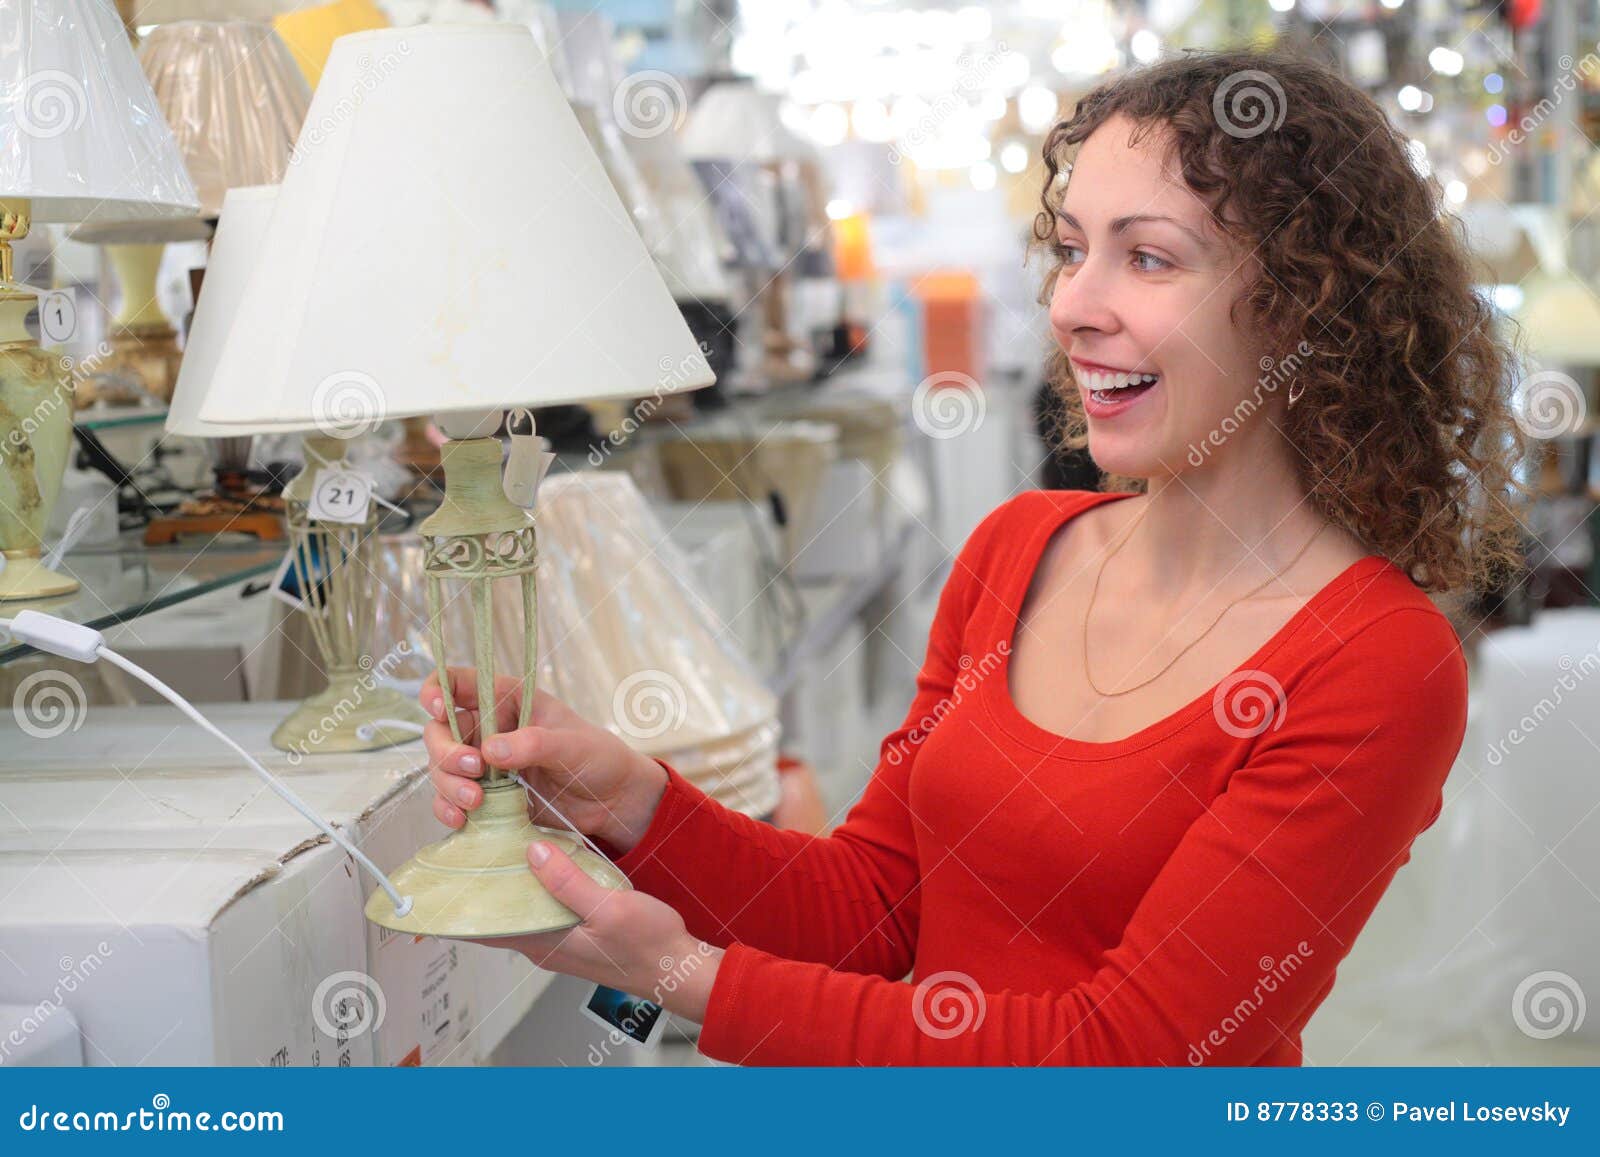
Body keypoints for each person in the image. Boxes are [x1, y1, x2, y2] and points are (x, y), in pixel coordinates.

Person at [421, 47, 1528, 1065]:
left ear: (1300, 307)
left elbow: (1134, 1053)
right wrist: (630, 800)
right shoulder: (1017, 549)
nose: (1075, 307)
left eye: (1146, 257)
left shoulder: (1376, 660)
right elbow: (866, 908)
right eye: (1069, 251)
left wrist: (683, 976)